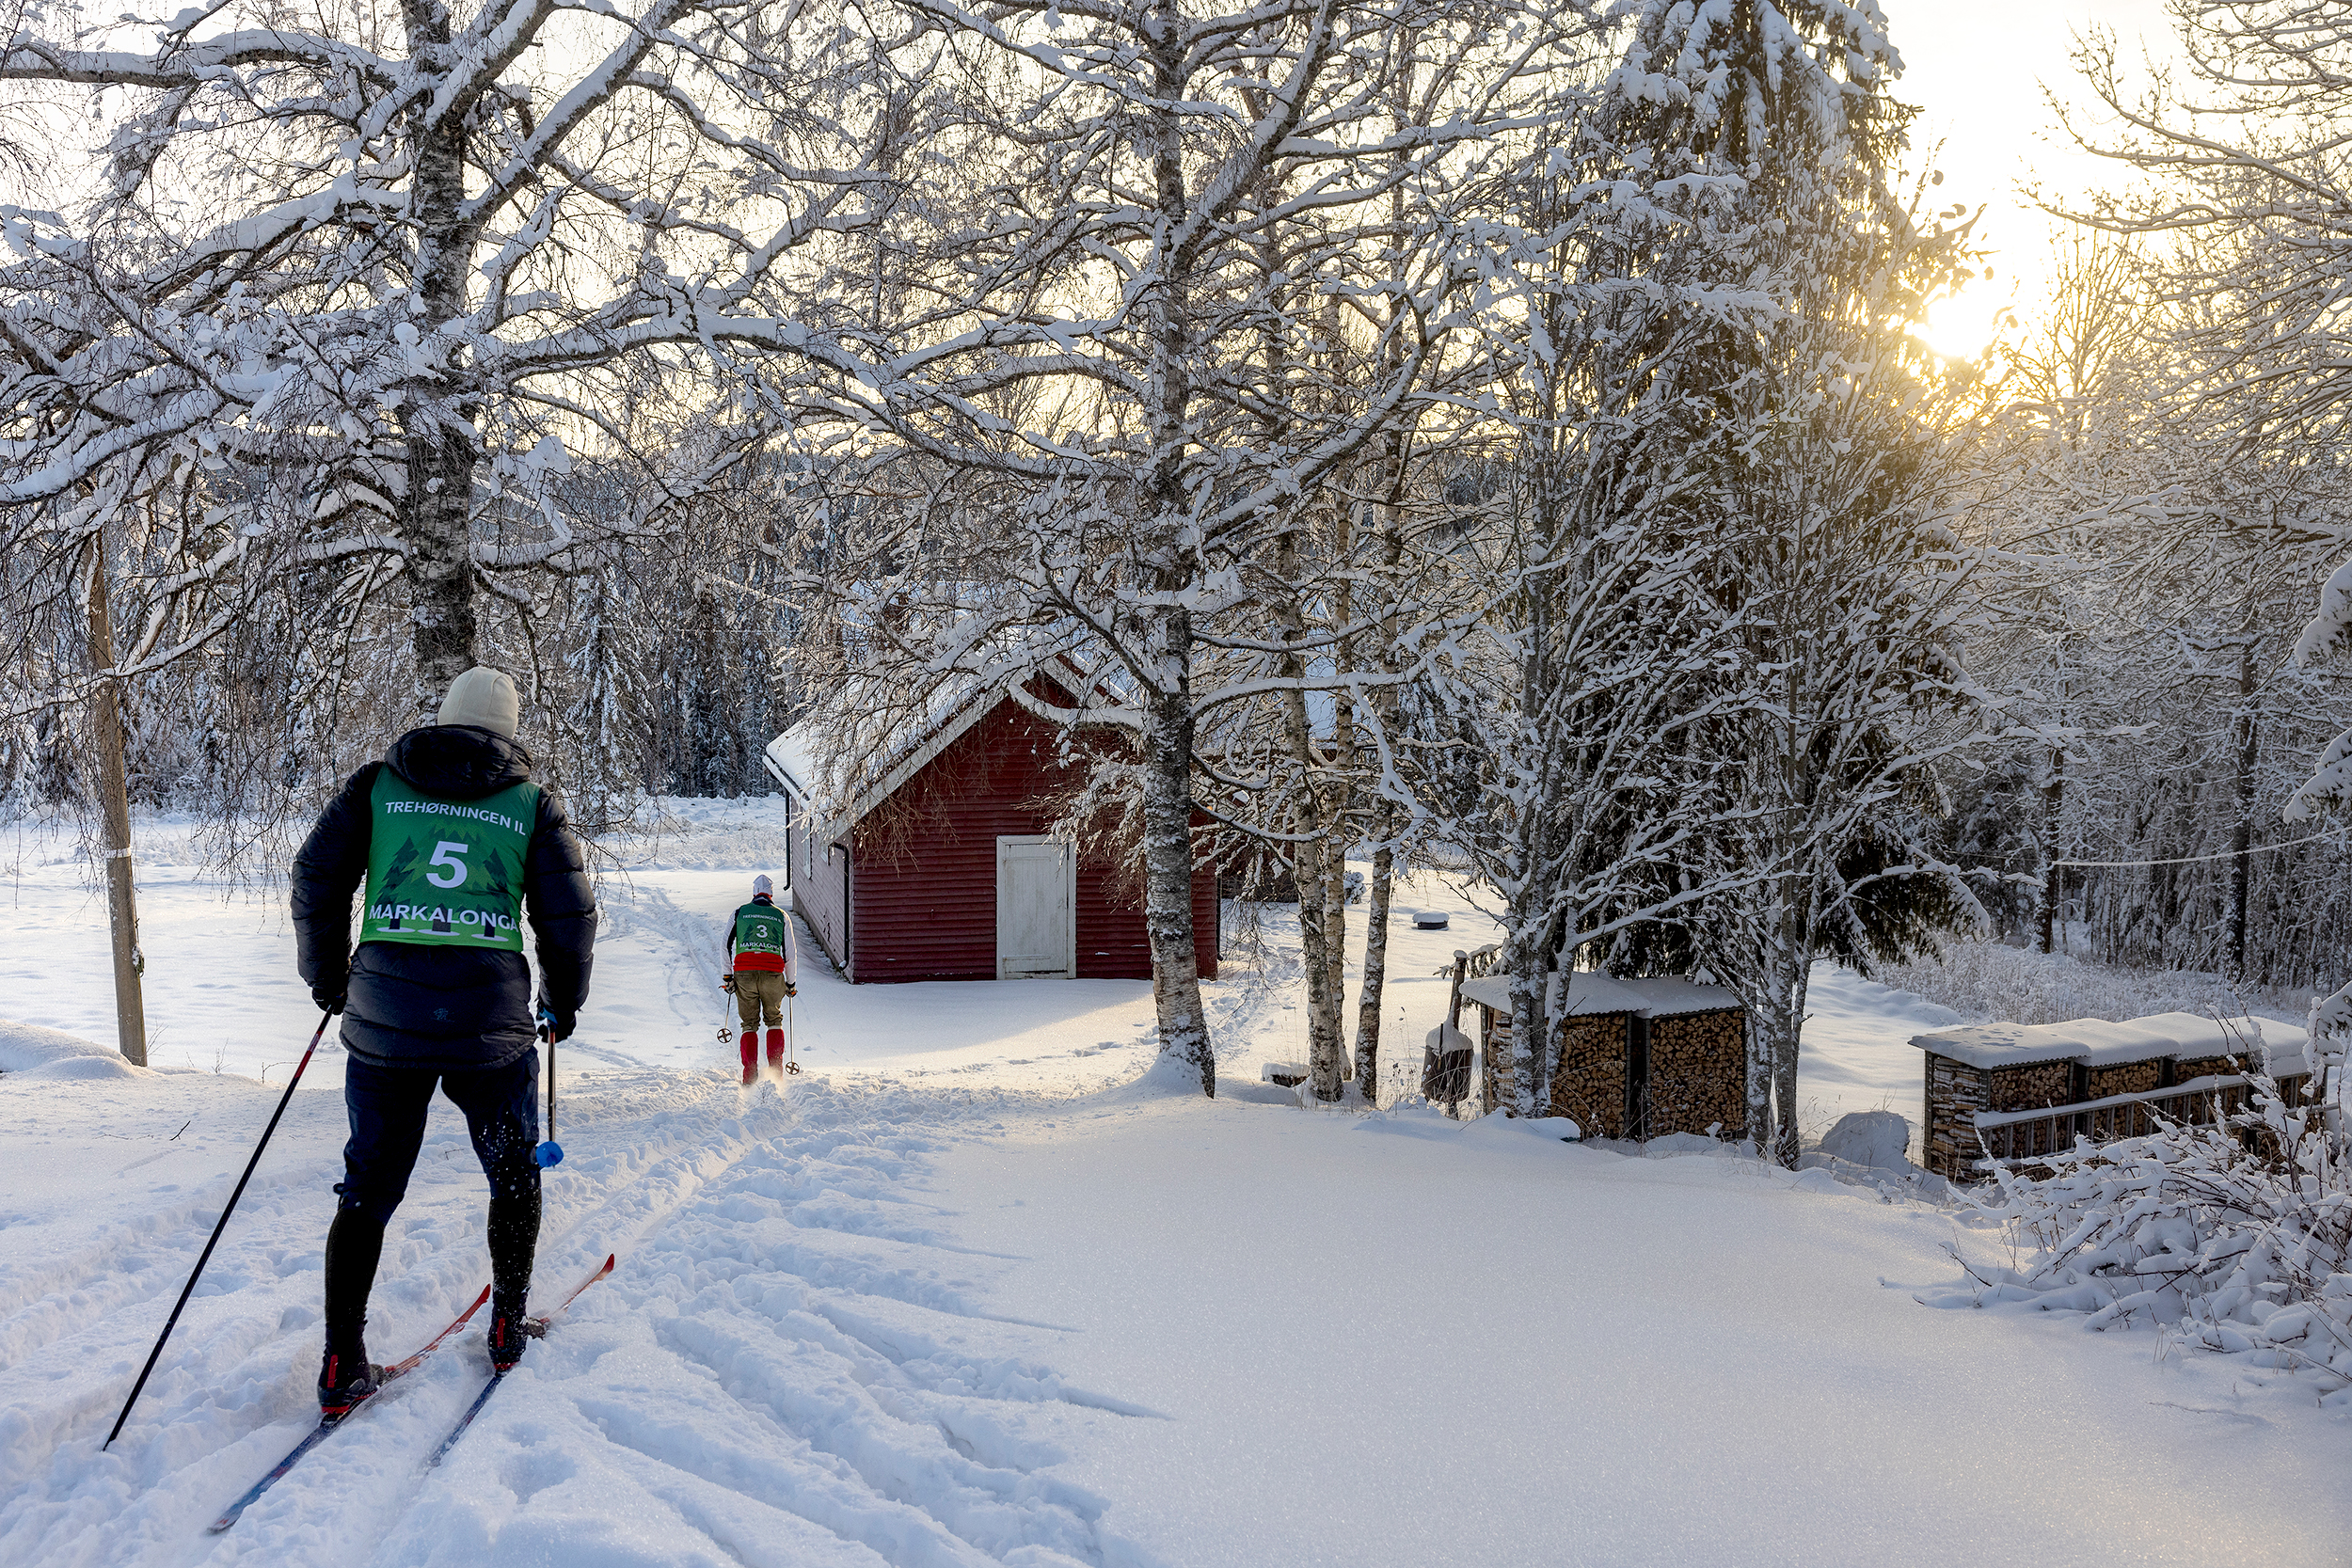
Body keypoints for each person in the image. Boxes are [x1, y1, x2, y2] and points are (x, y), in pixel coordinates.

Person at [291, 666, 596, 1416]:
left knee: (366, 1191)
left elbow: (315, 878)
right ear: (510, 732)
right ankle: (505, 1324)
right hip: (488, 1033)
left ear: (445, 718)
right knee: (513, 1173)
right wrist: (562, 1002)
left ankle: (340, 1361)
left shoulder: (377, 786)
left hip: (384, 1022)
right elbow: (570, 920)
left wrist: (331, 981)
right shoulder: (531, 805)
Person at [725, 873, 798, 1083]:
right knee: (774, 1020)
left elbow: (725, 945)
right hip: (773, 975)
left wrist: (728, 976)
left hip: (744, 975)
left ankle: (749, 1075)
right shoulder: (781, 916)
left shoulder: (739, 913)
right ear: (771, 894)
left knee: (749, 1024)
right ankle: (776, 1073)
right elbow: (790, 954)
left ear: (754, 893)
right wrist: (790, 983)